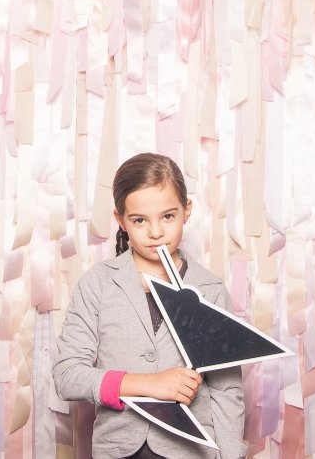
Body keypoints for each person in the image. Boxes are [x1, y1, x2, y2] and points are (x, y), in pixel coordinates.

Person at [53, 153, 246, 459]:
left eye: (167, 216)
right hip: (117, 450)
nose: (155, 232)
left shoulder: (210, 290)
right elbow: (68, 375)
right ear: (121, 220)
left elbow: (226, 392)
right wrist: (148, 384)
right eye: (140, 220)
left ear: (187, 211)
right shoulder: (98, 284)